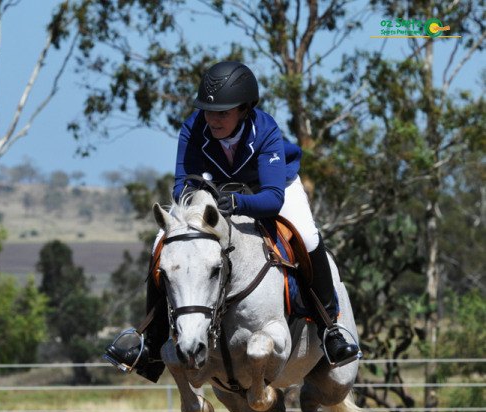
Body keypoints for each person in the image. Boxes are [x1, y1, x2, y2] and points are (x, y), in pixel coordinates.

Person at [105, 60, 361, 380]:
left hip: (271, 187)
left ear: (244, 109)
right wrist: (203, 202)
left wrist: (238, 202)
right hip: (216, 194)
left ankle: (331, 330)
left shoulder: (265, 129)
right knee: (162, 240)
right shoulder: (193, 127)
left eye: (223, 112)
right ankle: (150, 342)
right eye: (209, 111)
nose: (212, 119)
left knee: (307, 236)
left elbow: (272, 199)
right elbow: (182, 186)